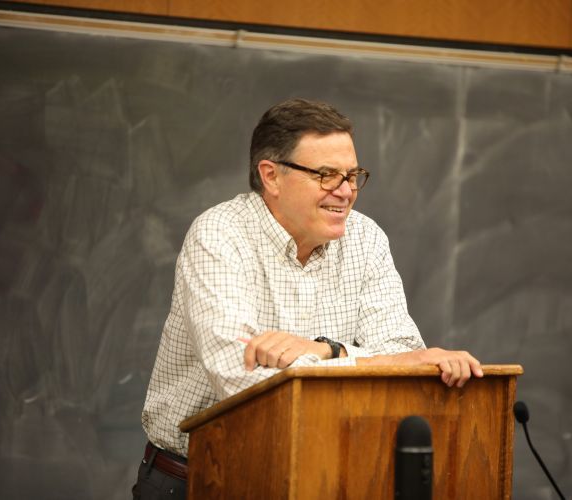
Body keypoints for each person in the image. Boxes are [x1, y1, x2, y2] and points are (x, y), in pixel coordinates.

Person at [132, 98, 483, 499]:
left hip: (330, 478)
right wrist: (362, 360)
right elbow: (242, 379)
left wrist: (324, 352)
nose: (347, 192)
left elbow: (403, 358)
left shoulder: (366, 239)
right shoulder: (219, 235)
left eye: (353, 175)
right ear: (271, 176)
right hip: (200, 479)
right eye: (327, 175)